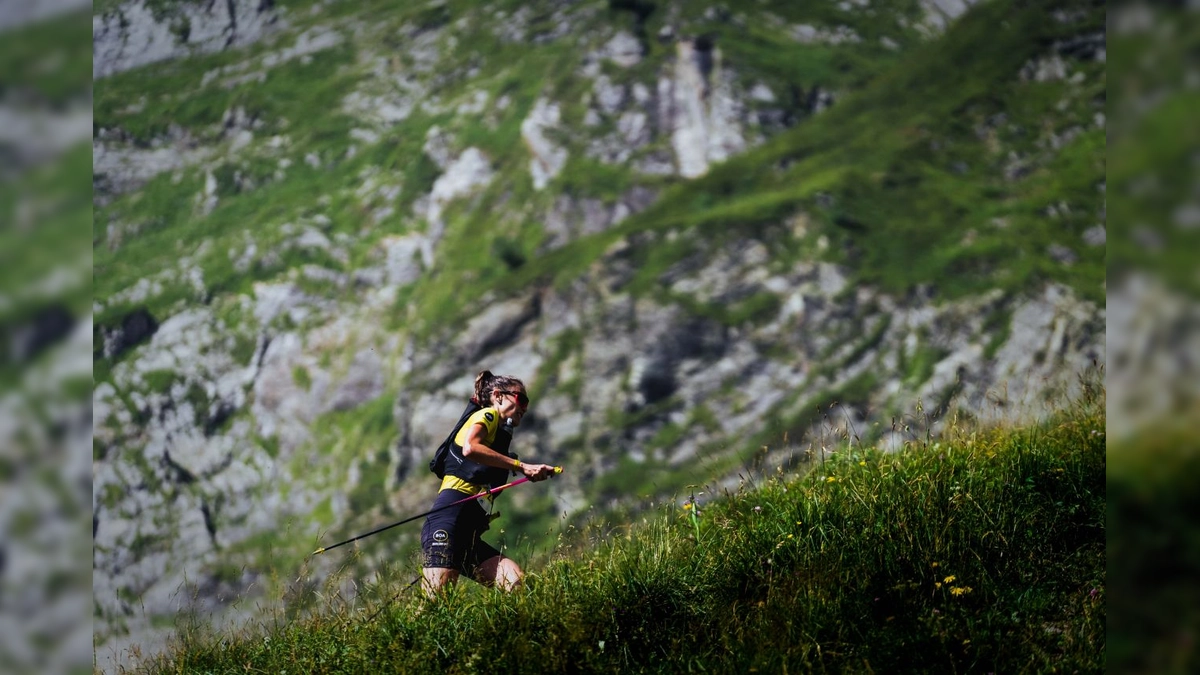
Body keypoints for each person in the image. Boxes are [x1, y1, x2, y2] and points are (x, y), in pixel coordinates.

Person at [419, 371, 557, 597]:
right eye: (521, 399)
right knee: (435, 606)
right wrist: (522, 466)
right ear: (498, 396)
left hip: (467, 533)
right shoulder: (489, 415)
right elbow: (470, 448)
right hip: (449, 520)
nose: (524, 407)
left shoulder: (498, 438)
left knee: (518, 585)